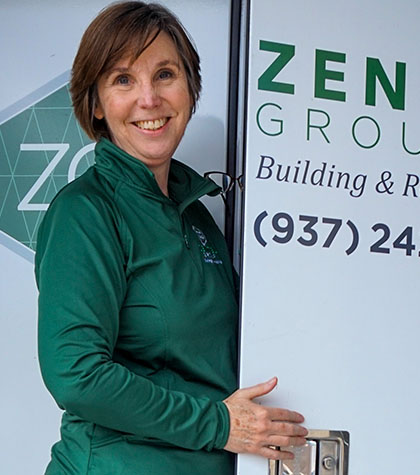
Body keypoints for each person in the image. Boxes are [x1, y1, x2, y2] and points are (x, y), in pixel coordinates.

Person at [35, 2, 308, 474]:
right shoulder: (85, 212)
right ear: (96, 104)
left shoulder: (199, 216)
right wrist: (220, 425)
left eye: (165, 74)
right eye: (123, 80)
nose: (149, 99)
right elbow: (76, 376)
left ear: (190, 87)